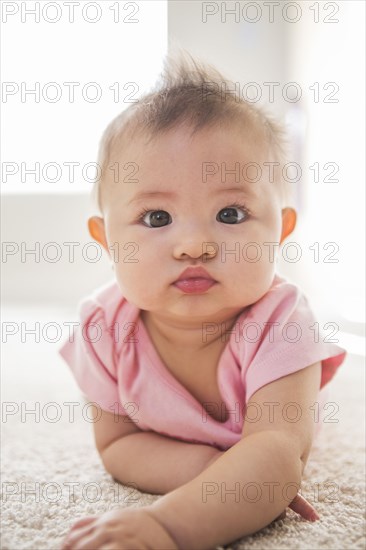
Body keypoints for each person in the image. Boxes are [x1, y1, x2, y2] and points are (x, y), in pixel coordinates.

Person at [59, 54, 346, 550]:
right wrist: (217, 474)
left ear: (282, 231)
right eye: (156, 218)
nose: (194, 245)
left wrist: (168, 525)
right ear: (107, 241)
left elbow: (276, 455)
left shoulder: (282, 323)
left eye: (230, 213)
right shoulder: (104, 328)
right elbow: (118, 444)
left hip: (274, 415)